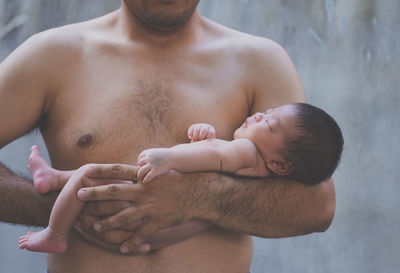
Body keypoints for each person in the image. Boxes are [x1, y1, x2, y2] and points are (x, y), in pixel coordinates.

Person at [0, 1, 336, 272]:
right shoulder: (51, 55)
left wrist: (198, 197)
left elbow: (318, 206)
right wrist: (61, 208)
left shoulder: (259, 61)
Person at [18, 102, 343, 254]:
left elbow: (216, 157)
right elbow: (214, 156)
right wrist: (207, 137)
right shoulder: (255, 164)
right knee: (101, 179)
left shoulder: (245, 150)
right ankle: (56, 177)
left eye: (269, 124)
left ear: (282, 166)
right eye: (268, 111)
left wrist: (169, 156)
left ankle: (55, 231)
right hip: (165, 234)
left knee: (91, 175)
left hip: (145, 213)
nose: (260, 115)